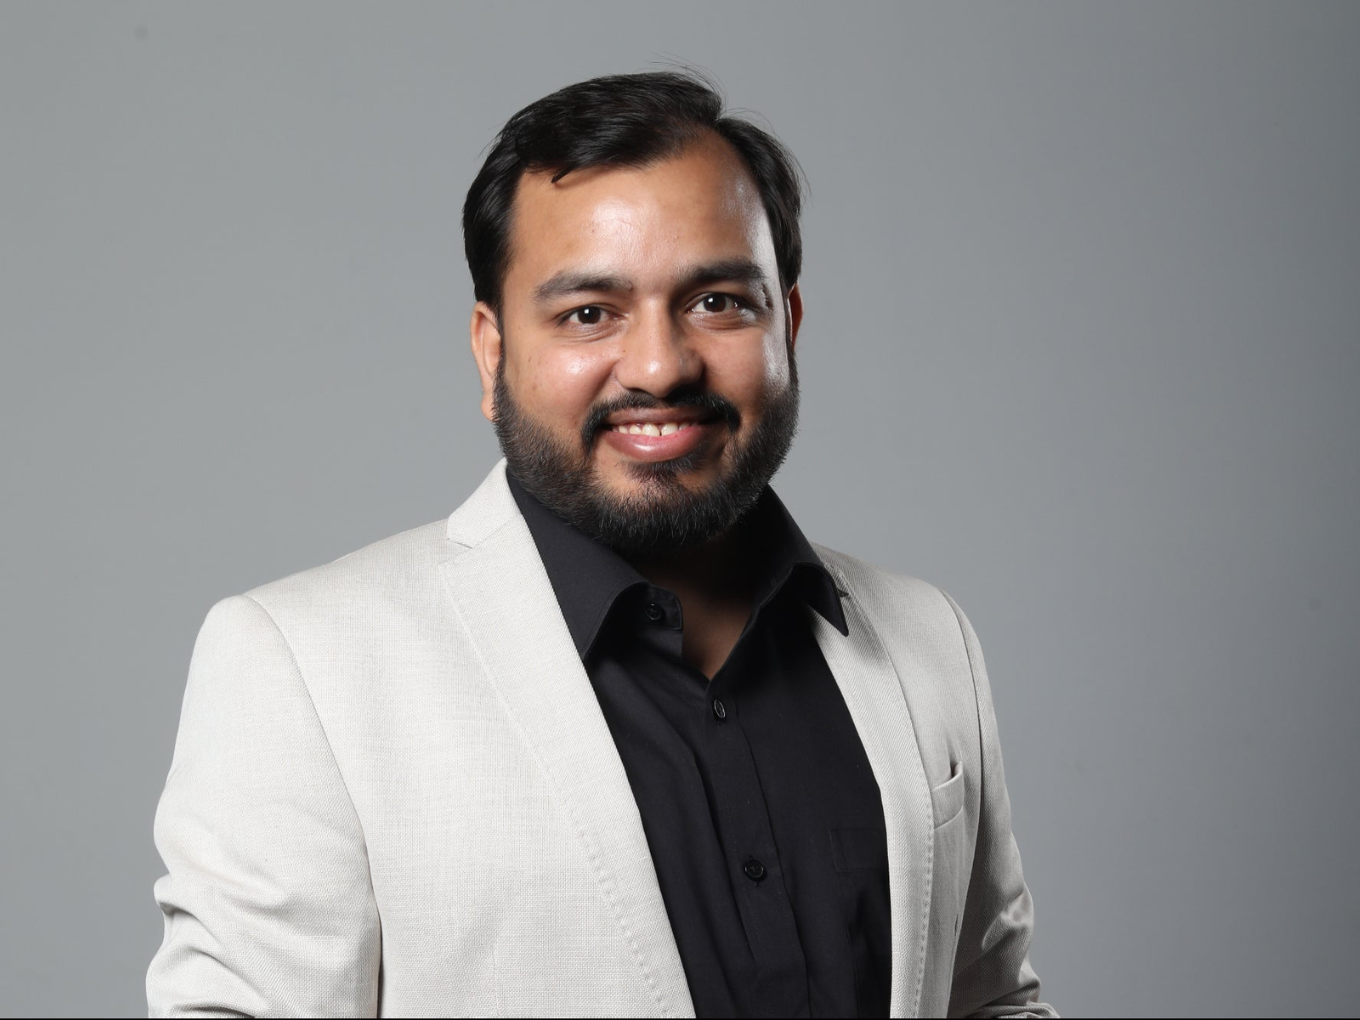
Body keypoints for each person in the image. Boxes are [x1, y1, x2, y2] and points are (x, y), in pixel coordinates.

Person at [147, 70, 1055, 1019]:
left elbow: (993, 1003)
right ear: (493, 352)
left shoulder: (929, 640)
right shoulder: (303, 668)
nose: (660, 366)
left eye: (717, 302)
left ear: (786, 326)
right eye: (589, 313)